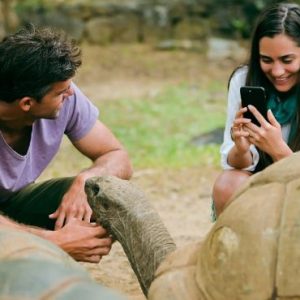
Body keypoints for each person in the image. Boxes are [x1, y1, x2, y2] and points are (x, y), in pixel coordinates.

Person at [0, 25, 133, 262]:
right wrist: (53, 243)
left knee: (106, 193)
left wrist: (87, 180)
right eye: (61, 92)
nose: (70, 94)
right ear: (27, 104)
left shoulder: (63, 97)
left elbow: (116, 155)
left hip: (11, 205)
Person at [212, 3, 300, 218]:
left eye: (287, 60)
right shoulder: (243, 79)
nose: (277, 71)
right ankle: (235, 251)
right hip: (263, 187)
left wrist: (278, 149)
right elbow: (235, 163)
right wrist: (241, 149)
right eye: (266, 60)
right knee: (228, 183)